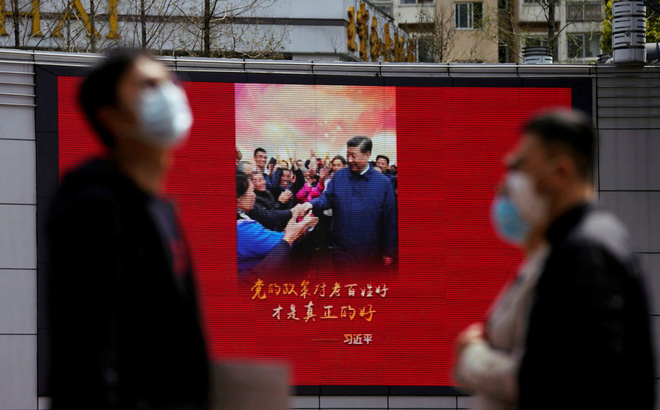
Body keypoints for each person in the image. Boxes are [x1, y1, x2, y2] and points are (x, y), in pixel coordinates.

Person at [455, 109, 656, 410]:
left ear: (560, 172)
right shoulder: (564, 246)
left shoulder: (586, 251)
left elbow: (559, 381)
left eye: (521, 166)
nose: (508, 183)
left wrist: (474, 359)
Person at [47, 49, 209, 409]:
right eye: (149, 85)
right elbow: (86, 351)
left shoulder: (157, 209)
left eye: (169, 82)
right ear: (112, 117)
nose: (169, 94)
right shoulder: (92, 207)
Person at [298, 136, 398, 272]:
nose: (349, 160)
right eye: (348, 154)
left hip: (370, 251)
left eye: (354, 156)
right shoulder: (339, 177)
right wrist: (310, 204)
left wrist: (390, 251)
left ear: (367, 154)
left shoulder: (382, 183)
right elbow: (327, 198)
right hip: (343, 249)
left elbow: (390, 219)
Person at [236, 169, 316, 277]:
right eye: (251, 191)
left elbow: (270, 215)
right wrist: (300, 228)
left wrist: (293, 213)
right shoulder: (244, 230)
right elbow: (281, 243)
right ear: (238, 199)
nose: (253, 195)